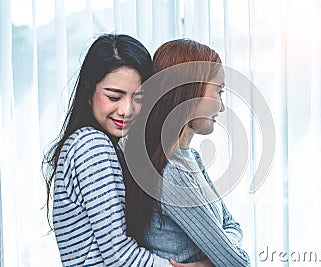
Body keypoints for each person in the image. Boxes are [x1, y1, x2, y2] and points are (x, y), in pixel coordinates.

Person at [43, 33, 212, 267]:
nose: (126, 110)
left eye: (138, 97)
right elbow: (120, 256)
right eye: (114, 96)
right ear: (88, 92)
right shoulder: (92, 146)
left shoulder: (105, 146)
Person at [124, 39, 251, 267]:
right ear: (189, 91)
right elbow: (238, 262)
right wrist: (220, 256)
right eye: (218, 92)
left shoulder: (191, 158)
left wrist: (205, 263)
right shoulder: (171, 173)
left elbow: (233, 225)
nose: (221, 107)